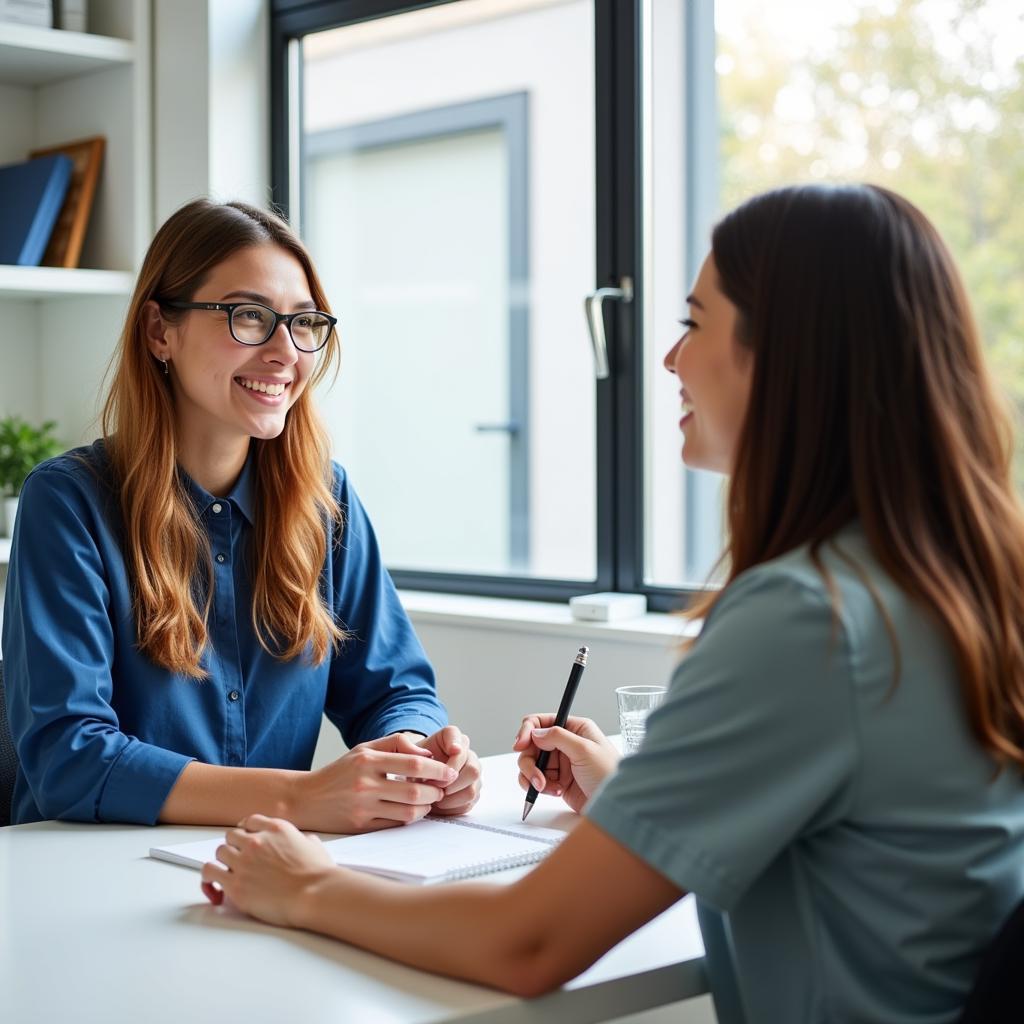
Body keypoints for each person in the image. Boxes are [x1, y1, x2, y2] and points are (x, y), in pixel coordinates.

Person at [196, 184, 1024, 1023]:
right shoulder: (961, 579)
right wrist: (641, 794)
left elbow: (528, 943)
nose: (669, 359)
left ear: (785, 354)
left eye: (695, 323)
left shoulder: (808, 618)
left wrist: (307, 886)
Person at [2, 198, 480, 830]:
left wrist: (417, 754)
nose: (286, 352)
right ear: (158, 331)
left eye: (304, 322)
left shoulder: (325, 501)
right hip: (88, 875)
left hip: (261, 870)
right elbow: (70, 759)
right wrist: (300, 799)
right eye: (249, 316)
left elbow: (397, 692)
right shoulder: (68, 502)